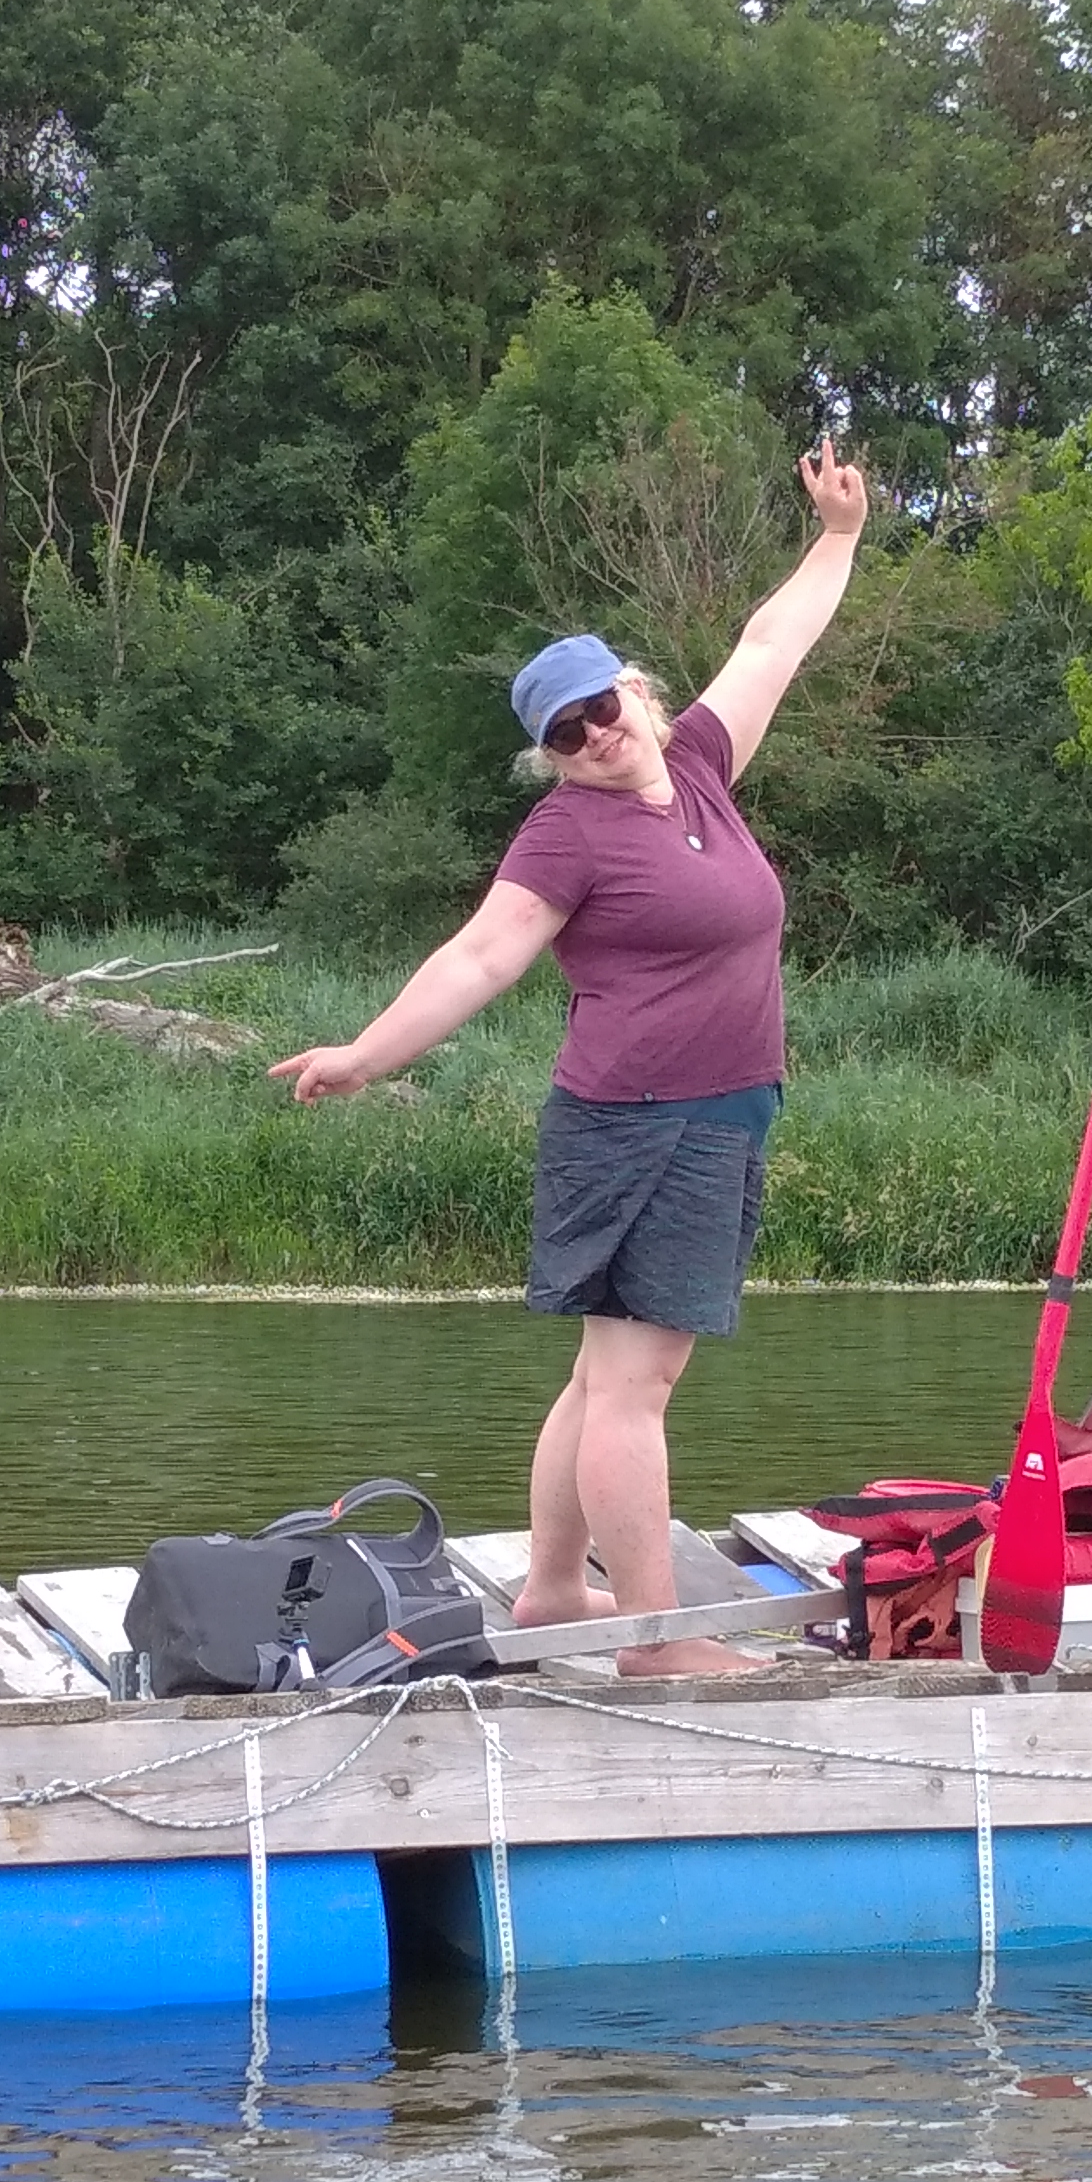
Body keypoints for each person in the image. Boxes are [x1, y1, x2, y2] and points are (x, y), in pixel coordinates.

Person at [272, 444, 872, 1674]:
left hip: (714, 1113)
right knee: (634, 1387)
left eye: (604, 707)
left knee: (604, 1373)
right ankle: (656, 1639)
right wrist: (368, 1055)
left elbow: (769, 648)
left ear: (637, 693)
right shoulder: (567, 832)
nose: (596, 734)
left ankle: (551, 1591)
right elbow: (480, 956)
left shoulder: (698, 766)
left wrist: (838, 538)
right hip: (645, 1121)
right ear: (550, 753)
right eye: (567, 731)